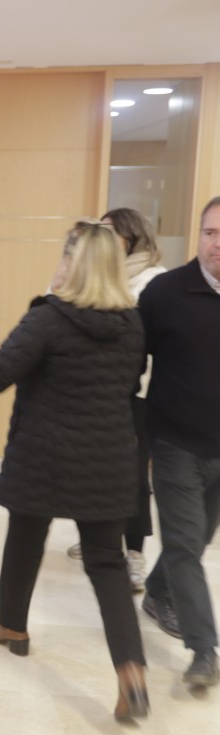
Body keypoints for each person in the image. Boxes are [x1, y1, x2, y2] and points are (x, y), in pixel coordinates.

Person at [0, 222, 148, 721]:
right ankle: (131, 671)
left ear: (74, 263)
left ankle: (13, 625)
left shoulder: (48, 319)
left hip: (45, 457)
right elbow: (128, 384)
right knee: (108, 565)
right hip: (109, 460)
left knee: (26, 537)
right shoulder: (132, 324)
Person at [139, 196, 220, 688]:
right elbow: (128, 360)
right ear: (199, 235)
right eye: (211, 233)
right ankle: (204, 649)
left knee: (195, 540)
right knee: (188, 547)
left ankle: (154, 590)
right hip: (175, 444)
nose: (218, 244)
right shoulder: (165, 293)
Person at [66, 208, 166, 593]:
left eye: (109, 232)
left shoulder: (151, 280)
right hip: (96, 390)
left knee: (133, 475)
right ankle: (97, 537)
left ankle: (135, 554)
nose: (102, 239)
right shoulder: (102, 273)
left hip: (137, 392)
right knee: (90, 469)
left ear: (131, 237)